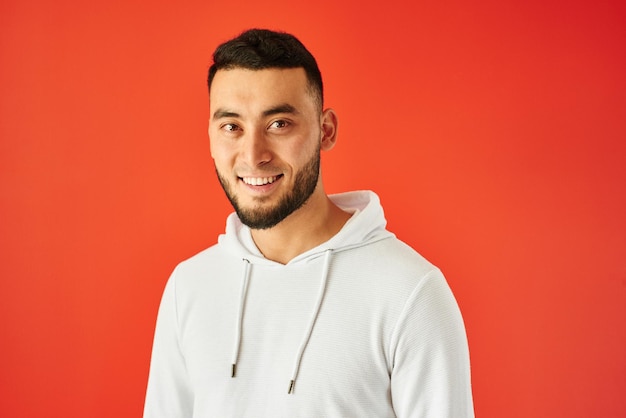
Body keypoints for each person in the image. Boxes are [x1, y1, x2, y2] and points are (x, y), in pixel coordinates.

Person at [144, 28, 474, 417]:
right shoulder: (190, 286)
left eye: (279, 124)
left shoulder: (410, 293)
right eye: (231, 127)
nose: (253, 155)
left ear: (326, 130)